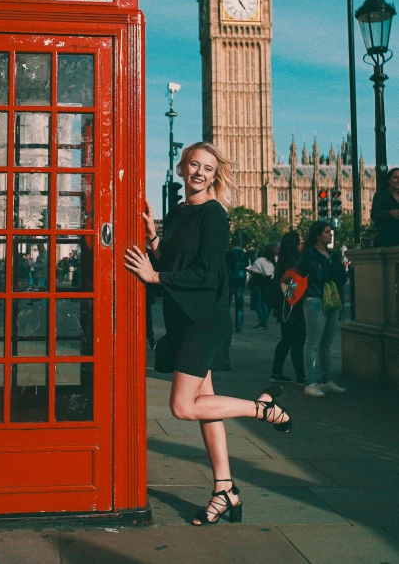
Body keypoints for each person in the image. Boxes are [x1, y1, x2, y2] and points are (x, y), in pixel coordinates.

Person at [124, 141, 292, 527]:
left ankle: (262, 408)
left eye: (208, 169)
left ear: (214, 176)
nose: (199, 173)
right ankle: (225, 490)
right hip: (184, 317)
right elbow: (176, 261)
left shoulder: (215, 216)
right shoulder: (179, 211)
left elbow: (207, 273)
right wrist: (153, 239)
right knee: (207, 406)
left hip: (206, 320)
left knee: (183, 407)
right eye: (194, 165)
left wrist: (154, 275)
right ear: (182, 169)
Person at [301, 221, 347, 397]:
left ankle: (325, 379)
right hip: (314, 299)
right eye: (327, 232)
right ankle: (310, 382)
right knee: (312, 343)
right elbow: (317, 275)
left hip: (332, 300)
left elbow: (342, 278)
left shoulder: (333, 254)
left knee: (327, 344)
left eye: (330, 232)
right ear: (319, 235)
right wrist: (331, 270)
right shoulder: (310, 253)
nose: (330, 235)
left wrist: (328, 270)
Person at [267, 231, 306, 384]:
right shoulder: (297, 262)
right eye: (300, 242)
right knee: (297, 341)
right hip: (294, 307)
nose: (302, 244)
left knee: (286, 340)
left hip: (284, 307)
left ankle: (276, 372)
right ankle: (301, 375)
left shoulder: (283, 261)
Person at [248, 246, 276, 329]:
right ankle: (265, 319)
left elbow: (253, 271)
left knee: (258, 303)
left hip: (258, 282)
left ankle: (262, 321)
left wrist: (249, 271)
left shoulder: (259, 260)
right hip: (268, 283)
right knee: (264, 302)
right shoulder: (273, 261)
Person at [370, 167, 399, 247]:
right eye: (395, 178)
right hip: (388, 237)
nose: (398, 181)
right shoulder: (380, 195)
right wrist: (390, 212)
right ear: (388, 180)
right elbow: (374, 215)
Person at [225, 240, 249, 332]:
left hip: (231, 281)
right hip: (241, 281)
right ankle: (238, 325)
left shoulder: (229, 254)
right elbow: (247, 264)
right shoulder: (244, 254)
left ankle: (226, 324)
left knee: (228, 303)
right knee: (239, 304)